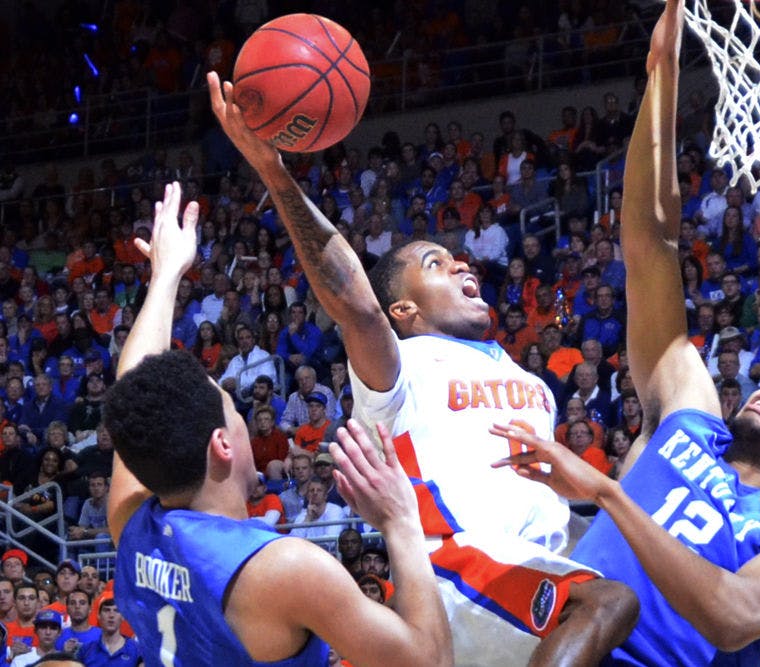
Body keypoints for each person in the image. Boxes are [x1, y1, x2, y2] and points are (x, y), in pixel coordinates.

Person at [209, 67, 637, 666]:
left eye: (462, 261)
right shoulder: (400, 363)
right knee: (608, 604)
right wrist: (276, 175)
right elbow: (355, 303)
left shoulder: (531, 382)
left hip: (526, 569)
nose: (463, 266)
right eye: (437, 263)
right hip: (451, 566)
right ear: (402, 308)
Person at [493, 4, 760, 663]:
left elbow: (735, 615)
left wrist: (607, 490)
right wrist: (659, 78)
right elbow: (651, 243)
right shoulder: (692, 417)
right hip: (552, 644)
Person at [104, 183, 452, 667]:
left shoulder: (132, 526)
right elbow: (428, 662)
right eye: (233, 409)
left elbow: (134, 383)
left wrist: (165, 276)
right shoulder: (281, 569)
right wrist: (401, 522)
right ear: (223, 444)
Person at [75, 599, 141, 667]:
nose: (111, 615)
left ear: (123, 617)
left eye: (116, 611)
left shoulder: (136, 650)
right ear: (99, 616)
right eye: (107, 610)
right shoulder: (86, 650)